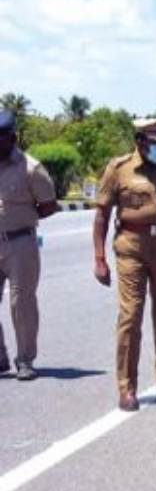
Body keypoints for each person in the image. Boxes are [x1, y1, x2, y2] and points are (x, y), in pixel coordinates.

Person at [92, 118, 156, 411]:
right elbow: (101, 215)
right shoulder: (119, 168)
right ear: (140, 142)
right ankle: (127, 388)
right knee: (130, 317)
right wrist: (99, 258)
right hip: (131, 249)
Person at [0, 109, 59, 381]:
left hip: (20, 243)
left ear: (13, 138)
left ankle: (25, 360)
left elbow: (49, 205)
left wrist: (22, 218)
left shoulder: (31, 168)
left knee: (21, 303)